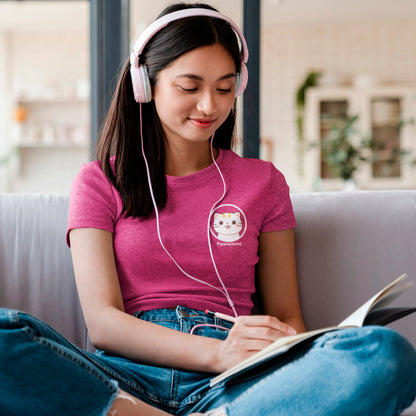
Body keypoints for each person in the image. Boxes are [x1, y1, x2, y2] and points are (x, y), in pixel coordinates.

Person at [1, 3, 415, 415]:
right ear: (145, 84)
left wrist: (298, 362)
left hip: (237, 381)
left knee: (385, 352)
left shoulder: (263, 182)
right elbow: (104, 324)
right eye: (189, 86)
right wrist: (216, 354)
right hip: (126, 382)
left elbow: (287, 314)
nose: (209, 107)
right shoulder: (98, 181)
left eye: (223, 88)